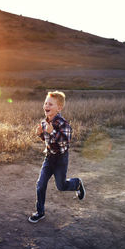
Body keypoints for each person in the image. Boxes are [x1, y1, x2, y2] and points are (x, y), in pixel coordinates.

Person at [28, 91, 85, 223]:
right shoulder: (44, 122)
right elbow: (49, 140)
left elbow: (65, 140)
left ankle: (77, 184)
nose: (46, 106)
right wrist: (41, 134)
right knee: (40, 184)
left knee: (61, 186)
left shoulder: (62, 123)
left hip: (61, 159)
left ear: (59, 108)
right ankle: (40, 211)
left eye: (50, 104)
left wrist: (51, 131)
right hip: (49, 158)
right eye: (45, 103)